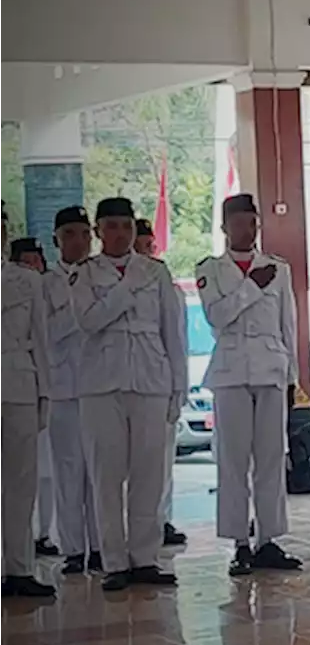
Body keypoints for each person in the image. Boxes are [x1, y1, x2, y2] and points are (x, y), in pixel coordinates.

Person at [71, 197, 187, 591]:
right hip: (102, 384)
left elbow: (174, 334)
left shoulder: (155, 271)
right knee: (107, 475)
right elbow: (88, 321)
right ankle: (114, 561)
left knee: (149, 475)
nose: (120, 233)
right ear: (99, 232)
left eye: (126, 226)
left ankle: (145, 558)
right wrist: (124, 292)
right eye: (111, 226)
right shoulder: (86, 274)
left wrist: (178, 387)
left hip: (151, 379)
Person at [197, 193, 303, 576]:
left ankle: (269, 539)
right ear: (226, 227)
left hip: (271, 369)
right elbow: (217, 317)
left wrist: (292, 377)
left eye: (253, 221)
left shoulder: (278, 268)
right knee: (233, 460)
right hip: (230, 373)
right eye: (240, 222)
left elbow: (287, 324)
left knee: (272, 459)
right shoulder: (211, 269)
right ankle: (240, 542)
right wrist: (250, 288)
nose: (248, 228)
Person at [0, 205, 55, 598]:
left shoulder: (26, 281)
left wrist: (45, 393)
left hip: (19, 381)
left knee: (21, 482)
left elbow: (42, 338)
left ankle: (19, 568)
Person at [45, 206, 102, 574]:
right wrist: (80, 311)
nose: (78, 241)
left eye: (84, 233)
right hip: (63, 387)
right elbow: (48, 333)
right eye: (69, 234)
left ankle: (101, 545)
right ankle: (72, 548)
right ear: (56, 240)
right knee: (68, 471)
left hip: (100, 384)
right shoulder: (45, 283)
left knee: (101, 470)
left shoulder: (102, 276)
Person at [134, 219, 187, 547]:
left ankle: (161, 520)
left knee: (160, 460)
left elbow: (176, 338)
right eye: (141, 247)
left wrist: (178, 384)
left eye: (149, 247)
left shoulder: (165, 282)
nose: (146, 252)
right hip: (126, 380)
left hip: (159, 378)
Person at [10, 238, 60, 558]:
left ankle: (39, 541)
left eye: (36, 261)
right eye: (26, 260)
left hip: (32, 384)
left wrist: (44, 390)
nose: (33, 267)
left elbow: (44, 340)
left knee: (40, 474)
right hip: (17, 378)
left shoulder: (40, 287)